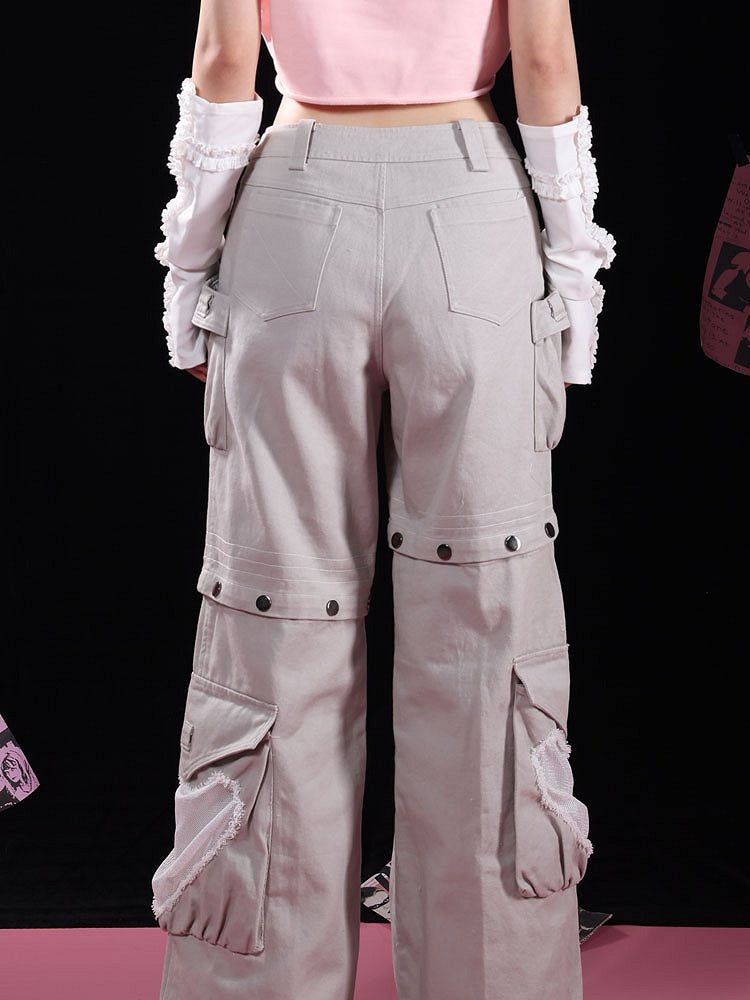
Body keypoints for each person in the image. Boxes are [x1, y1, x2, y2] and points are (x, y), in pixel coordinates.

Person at [150, 1, 615, 998]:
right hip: (473, 209)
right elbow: (542, 59)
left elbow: (225, 56)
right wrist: (575, 280)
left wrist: (187, 270)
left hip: (294, 204)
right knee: (489, 619)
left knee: (275, 615)